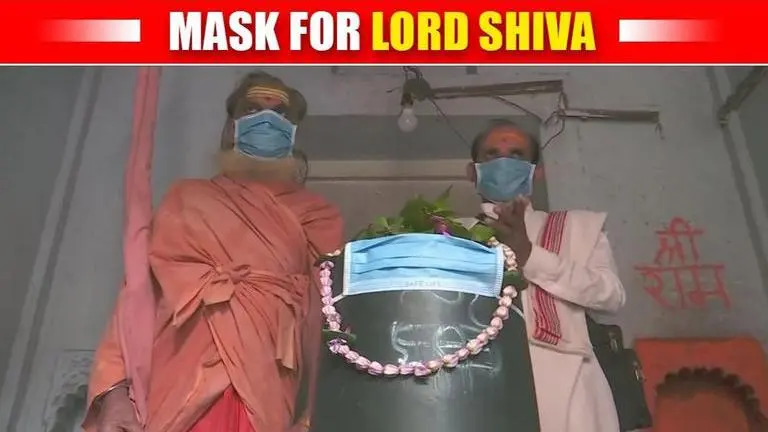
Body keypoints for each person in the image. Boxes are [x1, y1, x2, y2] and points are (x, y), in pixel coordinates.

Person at [83, 71, 344, 432]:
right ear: (231, 125)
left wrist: (314, 415)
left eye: (280, 113)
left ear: (294, 131)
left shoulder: (318, 215)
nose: (267, 119)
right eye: (253, 108)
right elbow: (137, 295)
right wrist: (114, 390)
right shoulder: (186, 198)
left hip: (266, 381)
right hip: (178, 377)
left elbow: (327, 319)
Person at [459, 119, 626, 432]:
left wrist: (530, 255)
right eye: (493, 155)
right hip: (471, 380)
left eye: (518, 155)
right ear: (473, 171)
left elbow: (611, 296)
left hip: (570, 382)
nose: (505, 163)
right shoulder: (448, 234)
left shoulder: (577, 227)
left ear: (536, 171)